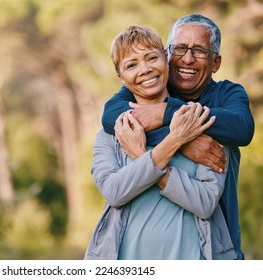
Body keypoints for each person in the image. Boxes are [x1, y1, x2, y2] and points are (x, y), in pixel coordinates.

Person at [100, 14, 254, 260]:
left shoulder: (227, 94)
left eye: (200, 51)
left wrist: (165, 112)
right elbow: (110, 115)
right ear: (167, 54)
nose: (188, 58)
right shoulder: (150, 89)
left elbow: (242, 129)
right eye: (179, 48)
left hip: (216, 247)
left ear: (216, 63)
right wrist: (184, 141)